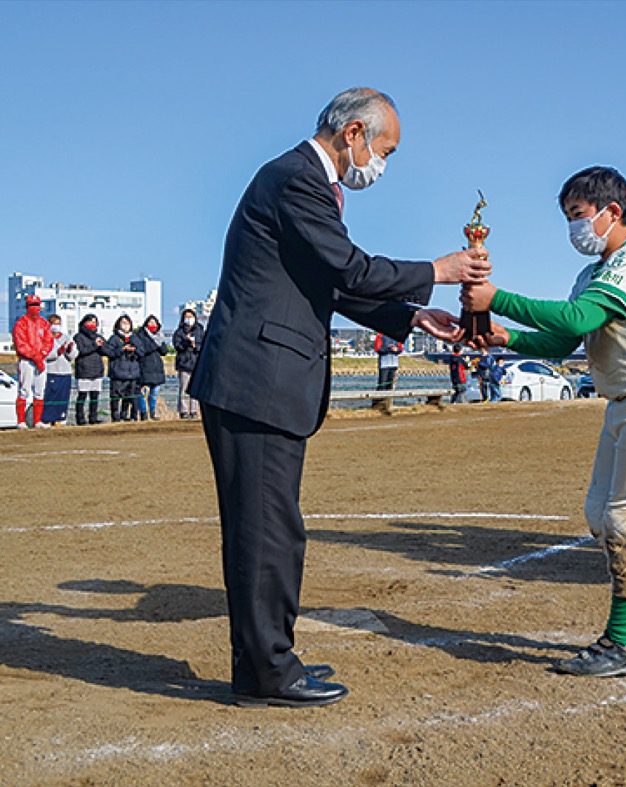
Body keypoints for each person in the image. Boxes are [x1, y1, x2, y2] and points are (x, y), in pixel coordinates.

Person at [188, 87, 487, 708]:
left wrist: (410, 316)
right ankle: (268, 673)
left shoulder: (303, 182)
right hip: (257, 381)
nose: (382, 163)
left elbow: (333, 283)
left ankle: (266, 661)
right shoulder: (296, 178)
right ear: (353, 133)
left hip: (260, 382)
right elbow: (350, 267)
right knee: (267, 532)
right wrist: (439, 270)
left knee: (267, 528)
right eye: (385, 150)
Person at [463, 166, 626, 677]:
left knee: (625, 520)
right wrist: (506, 337)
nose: (573, 227)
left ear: (612, 211)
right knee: (600, 515)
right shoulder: (592, 275)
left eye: (578, 214)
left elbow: (578, 319)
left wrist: (497, 298)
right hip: (622, 404)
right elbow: (562, 341)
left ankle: (624, 640)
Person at [12, 295, 55, 429]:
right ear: (27, 307)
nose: (35, 308)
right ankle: (21, 421)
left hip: (41, 360)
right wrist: (35, 356)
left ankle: (37, 421)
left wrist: (42, 354)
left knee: (40, 390)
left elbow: (49, 341)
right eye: (32, 305)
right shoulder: (21, 323)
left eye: (37, 305)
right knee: (24, 390)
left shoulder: (44, 323)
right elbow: (21, 344)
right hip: (27, 360)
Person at [103, 314, 141, 422]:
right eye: (123, 323)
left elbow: (142, 352)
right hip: (118, 373)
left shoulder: (134, 338)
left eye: (127, 323)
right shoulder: (114, 338)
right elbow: (109, 352)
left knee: (128, 396)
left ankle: (124, 414)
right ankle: (115, 416)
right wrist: (122, 349)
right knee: (115, 396)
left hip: (132, 373)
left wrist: (134, 350)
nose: (125, 325)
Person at [42, 314, 78, 426]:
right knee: (50, 396)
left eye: (58, 324)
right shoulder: (45, 338)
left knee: (63, 397)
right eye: (54, 323)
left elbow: (73, 355)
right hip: (51, 371)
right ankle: (47, 419)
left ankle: (60, 418)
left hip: (65, 372)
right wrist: (57, 353)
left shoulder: (67, 338)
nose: (56, 326)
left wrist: (69, 350)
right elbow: (44, 355)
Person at [134, 315, 170, 421]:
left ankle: (152, 413)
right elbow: (143, 350)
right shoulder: (140, 335)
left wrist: (161, 343)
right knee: (142, 392)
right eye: (150, 322)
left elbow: (164, 351)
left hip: (157, 368)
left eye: (154, 323)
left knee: (154, 393)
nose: (152, 325)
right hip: (145, 366)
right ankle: (143, 413)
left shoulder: (159, 336)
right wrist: (155, 344)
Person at [73, 313, 107, 425]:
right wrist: (95, 345)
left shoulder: (98, 336)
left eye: (94, 322)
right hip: (84, 370)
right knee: (82, 395)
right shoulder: (78, 337)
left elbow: (106, 351)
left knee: (95, 396)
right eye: (90, 321)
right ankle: (80, 418)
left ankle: (93, 417)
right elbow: (82, 351)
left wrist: (102, 345)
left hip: (97, 370)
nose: (92, 324)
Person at [173, 309, 205, 419]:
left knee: (195, 388)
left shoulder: (200, 330)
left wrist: (195, 345)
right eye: (187, 317)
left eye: (191, 316)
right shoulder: (179, 332)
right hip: (184, 363)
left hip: (196, 362)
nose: (189, 319)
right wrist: (186, 343)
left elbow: (203, 345)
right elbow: (177, 346)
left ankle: (194, 410)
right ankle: (184, 410)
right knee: (184, 387)